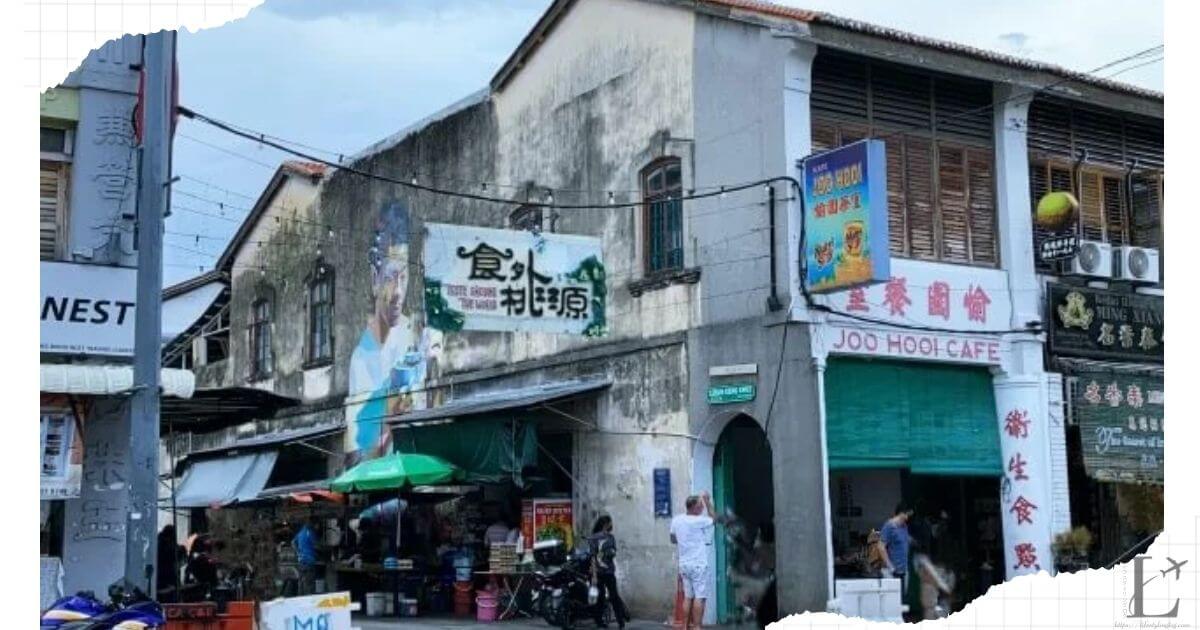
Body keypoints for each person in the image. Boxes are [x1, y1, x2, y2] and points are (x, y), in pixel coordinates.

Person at [670, 491, 719, 630]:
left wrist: (684, 541)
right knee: (700, 596)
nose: (702, 508)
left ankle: (685, 626)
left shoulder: (677, 520)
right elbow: (715, 518)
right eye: (700, 505)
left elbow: (673, 539)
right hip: (698, 564)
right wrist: (708, 500)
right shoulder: (700, 520)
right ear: (694, 508)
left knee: (688, 597)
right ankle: (697, 626)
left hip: (684, 564)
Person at [589, 515, 629, 629]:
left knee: (610, 597)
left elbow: (612, 553)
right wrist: (594, 575)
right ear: (606, 524)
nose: (612, 525)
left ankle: (617, 621)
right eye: (610, 522)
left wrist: (610, 553)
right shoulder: (595, 538)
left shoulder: (610, 537)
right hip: (602, 572)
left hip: (608, 571)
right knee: (608, 597)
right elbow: (593, 557)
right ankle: (614, 621)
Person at [880, 502, 914, 589]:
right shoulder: (889, 526)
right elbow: (881, 547)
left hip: (903, 570)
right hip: (892, 572)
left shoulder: (904, 526)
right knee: (893, 598)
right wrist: (890, 566)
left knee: (902, 599)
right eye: (908, 514)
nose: (909, 517)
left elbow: (904, 540)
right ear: (902, 513)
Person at [155, 525, 185, 601]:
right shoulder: (166, 544)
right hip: (166, 577)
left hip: (161, 577)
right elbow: (172, 553)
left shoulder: (158, 542)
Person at [293, 518, 319, 595]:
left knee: (301, 583)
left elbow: (293, 542)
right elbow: (316, 545)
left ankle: (299, 601)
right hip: (309, 561)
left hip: (301, 561)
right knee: (309, 584)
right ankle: (308, 602)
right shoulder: (310, 533)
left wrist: (298, 552)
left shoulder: (301, 532)